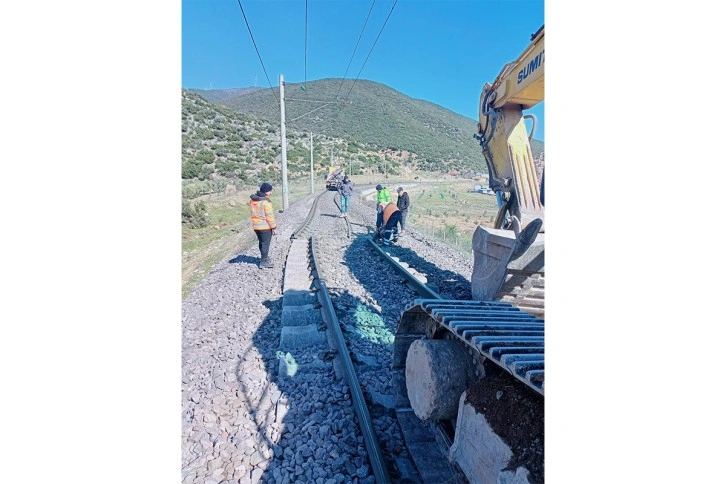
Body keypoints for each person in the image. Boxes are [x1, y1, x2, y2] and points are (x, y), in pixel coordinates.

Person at [249, 182, 277, 269]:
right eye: (269, 191)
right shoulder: (265, 202)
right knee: (265, 244)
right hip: (265, 227)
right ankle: (264, 262)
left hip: (256, 226)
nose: (270, 193)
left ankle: (264, 258)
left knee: (261, 243)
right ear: (266, 192)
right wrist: (273, 227)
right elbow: (269, 216)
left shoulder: (253, 200)